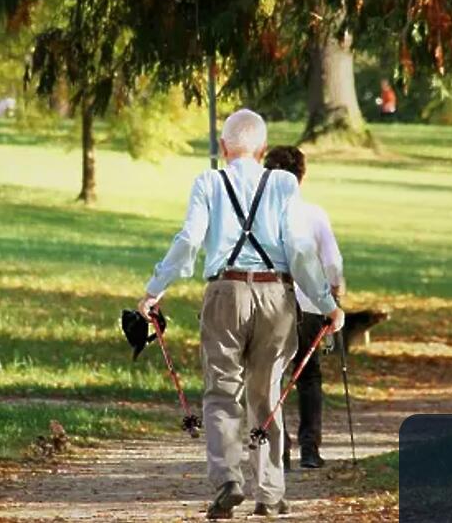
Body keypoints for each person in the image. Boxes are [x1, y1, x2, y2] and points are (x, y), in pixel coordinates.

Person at [138, 109, 345, 519]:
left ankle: (228, 480)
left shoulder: (208, 182)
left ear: (223, 147)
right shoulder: (284, 184)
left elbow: (189, 240)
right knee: (267, 394)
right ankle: (269, 492)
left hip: (225, 292)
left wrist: (154, 290)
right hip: (275, 296)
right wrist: (327, 304)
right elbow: (301, 252)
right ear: (263, 149)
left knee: (220, 391)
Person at [263, 146, 345, 471]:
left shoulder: (259, 216)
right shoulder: (313, 214)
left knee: (273, 375)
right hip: (310, 303)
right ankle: (310, 449)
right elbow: (332, 262)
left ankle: (278, 451)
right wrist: (335, 295)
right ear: (301, 177)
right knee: (309, 376)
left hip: (270, 302)